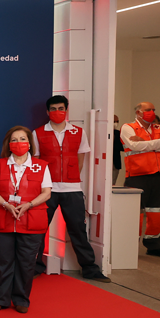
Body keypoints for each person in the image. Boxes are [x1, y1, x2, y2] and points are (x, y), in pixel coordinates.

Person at [33, 96, 111, 281]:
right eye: (53, 108)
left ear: (66, 110)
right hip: (46, 190)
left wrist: (71, 179)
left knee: (78, 229)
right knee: (38, 229)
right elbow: (35, 161)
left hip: (72, 188)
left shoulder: (78, 132)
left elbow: (80, 160)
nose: (57, 112)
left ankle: (90, 269)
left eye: (61, 108)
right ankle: (35, 266)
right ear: (47, 112)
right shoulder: (37, 133)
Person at [0, 126, 51, 313]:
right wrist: (6, 204)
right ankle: (1, 298)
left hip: (31, 220)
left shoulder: (42, 166)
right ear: (9, 144)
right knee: (2, 262)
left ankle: (22, 299)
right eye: (14, 140)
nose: (18, 143)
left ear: (29, 143)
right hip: (3, 219)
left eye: (22, 139)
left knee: (26, 263)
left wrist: (29, 204)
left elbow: (46, 193)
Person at [121, 101, 160, 258]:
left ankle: (154, 246)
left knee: (157, 212)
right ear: (138, 113)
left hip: (157, 176)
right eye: (148, 110)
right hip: (137, 176)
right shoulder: (128, 127)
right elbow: (134, 146)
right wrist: (159, 143)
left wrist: (145, 142)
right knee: (134, 214)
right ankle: (129, 246)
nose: (151, 112)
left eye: (153, 109)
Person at [112, 115, 123, 186]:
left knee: (113, 183)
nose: (115, 123)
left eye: (117, 121)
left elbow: (122, 147)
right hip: (104, 163)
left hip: (115, 162)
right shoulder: (101, 132)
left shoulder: (118, 133)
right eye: (114, 121)